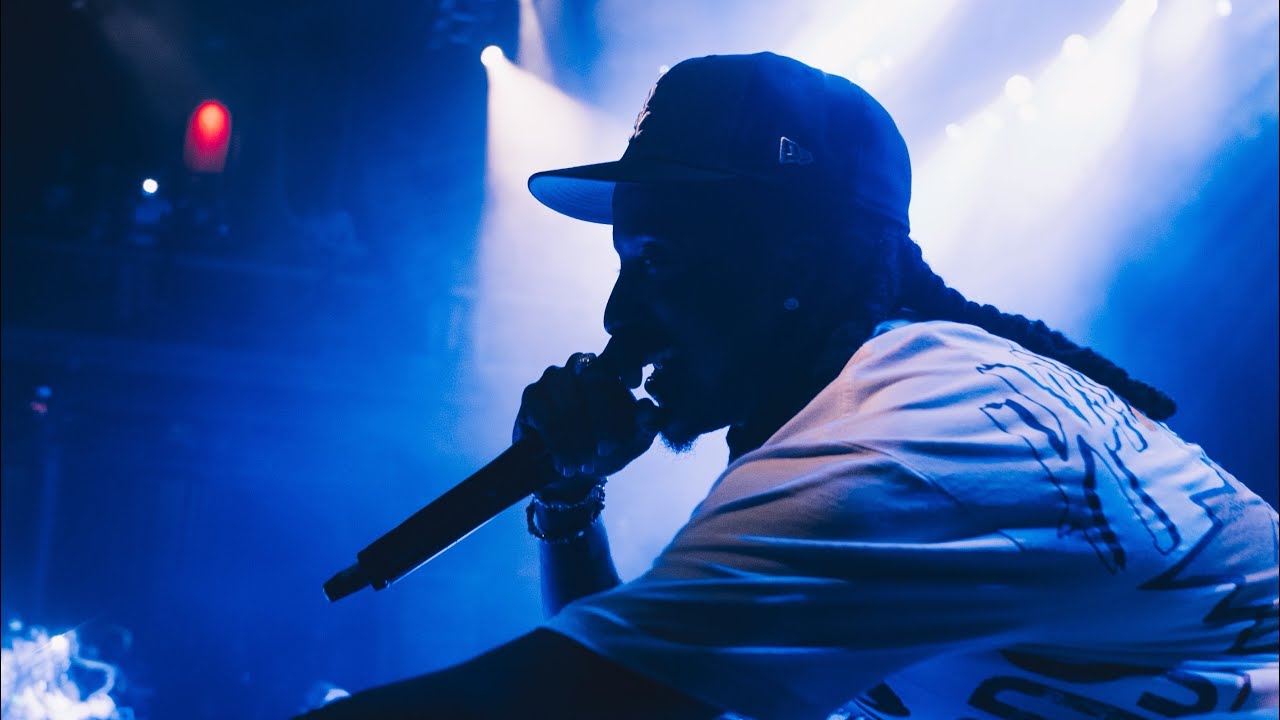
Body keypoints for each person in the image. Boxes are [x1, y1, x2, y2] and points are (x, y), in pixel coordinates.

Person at [302, 52, 1278, 720]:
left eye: (659, 260)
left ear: (797, 263)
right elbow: (670, 684)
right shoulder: (935, 396)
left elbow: (575, 703)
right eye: (623, 261)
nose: (618, 314)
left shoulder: (900, 449)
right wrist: (566, 503)